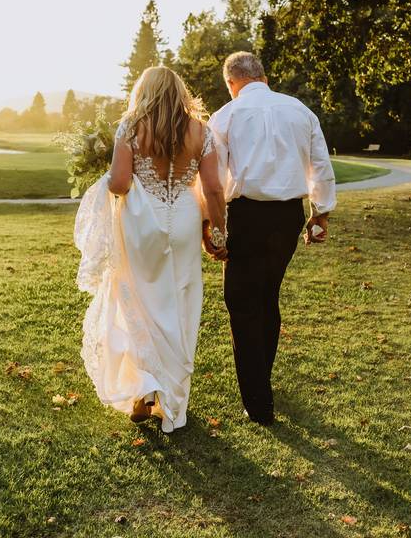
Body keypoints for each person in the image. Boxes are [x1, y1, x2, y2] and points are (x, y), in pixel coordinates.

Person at [74, 66, 227, 433]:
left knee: (140, 302)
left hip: (143, 223)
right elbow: (213, 190)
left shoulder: (131, 126)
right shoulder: (200, 132)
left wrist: (106, 179)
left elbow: (121, 182)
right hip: (186, 220)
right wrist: (219, 232)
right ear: (180, 92)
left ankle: (142, 395)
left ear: (143, 92)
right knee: (180, 300)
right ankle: (169, 399)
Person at [208, 51, 336, 426]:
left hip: (246, 214)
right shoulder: (300, 111)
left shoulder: (226, 115)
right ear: (263, 75)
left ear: (232, 83)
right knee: (266, 295)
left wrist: (212, 227)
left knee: (241, 301)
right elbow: (320, 165)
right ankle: (261, 382)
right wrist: (320, 214)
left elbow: (214, 180)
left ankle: (259, 402)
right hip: (287, 217)